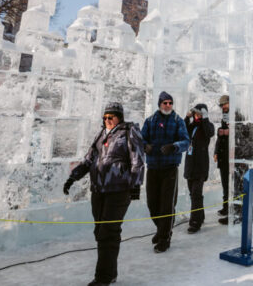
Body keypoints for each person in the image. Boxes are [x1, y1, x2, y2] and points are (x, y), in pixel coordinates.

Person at [63, 102, 144, 286]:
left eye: (111, 117)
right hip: (98, 190)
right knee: (101, 231)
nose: (107, 120)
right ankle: (111, 272)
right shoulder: (101, 134)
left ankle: (103, 277)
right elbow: (88, 159)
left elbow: (137, 159)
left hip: (118, 190)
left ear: (119, 117)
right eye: (105, 117)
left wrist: (135, 184)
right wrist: (72, 178)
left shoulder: (129, 132)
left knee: (108, 231)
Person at [140, 91, 189, 253]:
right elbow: (140, 139)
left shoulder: (178, 121)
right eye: (165, 103)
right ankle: (162, 229)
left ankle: (164, 238)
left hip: (170, 169)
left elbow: (186, 141)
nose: (168, 105)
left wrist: (174, 147)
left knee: (167, 205)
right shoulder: (150, 121)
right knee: (153, 204)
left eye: (170, 103)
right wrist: (145, 146)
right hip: (153, 168)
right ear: (159, 104)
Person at [184, 103, 215, 233]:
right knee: (194, 194)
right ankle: (200, 216)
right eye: (196, 113)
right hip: (190, 165)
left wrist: (205, 118)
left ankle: (195, 222)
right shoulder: (192, 126)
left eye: (199, 113)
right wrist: (187, 118)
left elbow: (210, 133)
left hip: (201, 166)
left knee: (196, 194)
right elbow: (182, 130)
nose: (197, 116)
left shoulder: (207, 126)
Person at [214, 95, 231, 224]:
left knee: (232, 185)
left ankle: (232, 210)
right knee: (225, 184)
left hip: (232, 156)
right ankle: (226, 208)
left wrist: (230, 130)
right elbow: (220, 137)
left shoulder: (237, 116)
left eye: (225, 104)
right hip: (223, 156)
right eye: (221, 105)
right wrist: (216, 152)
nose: (223, 107)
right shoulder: (224, 117)